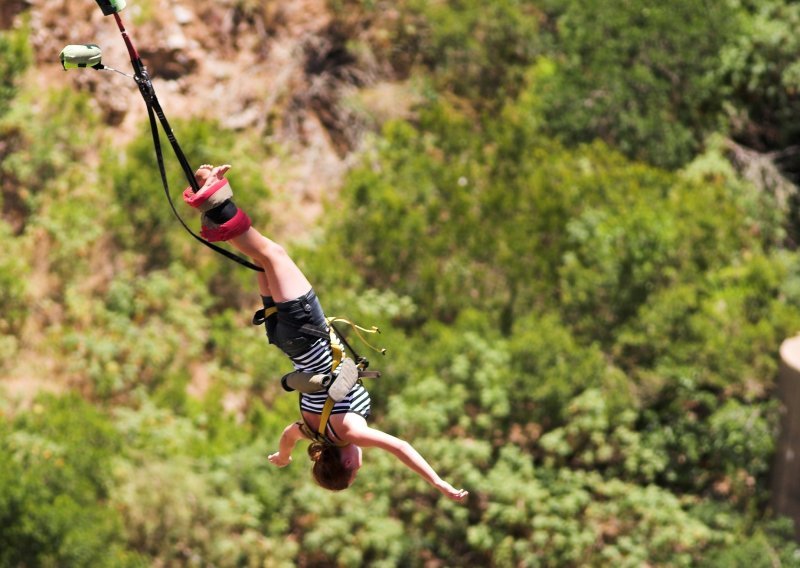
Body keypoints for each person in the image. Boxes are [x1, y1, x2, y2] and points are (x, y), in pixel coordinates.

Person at [183, 164, 468, 502]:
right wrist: (284, 456)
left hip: (307, 330)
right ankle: (212, 202)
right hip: (285, 337)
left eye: (356, 470)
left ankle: (213, 198)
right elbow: (288, 436)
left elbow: (400, 447)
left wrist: (438, 483)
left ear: (347, 462)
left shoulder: (351, 432)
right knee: (262, 258)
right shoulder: (311, 431)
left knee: (271, 253)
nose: (361, 464)